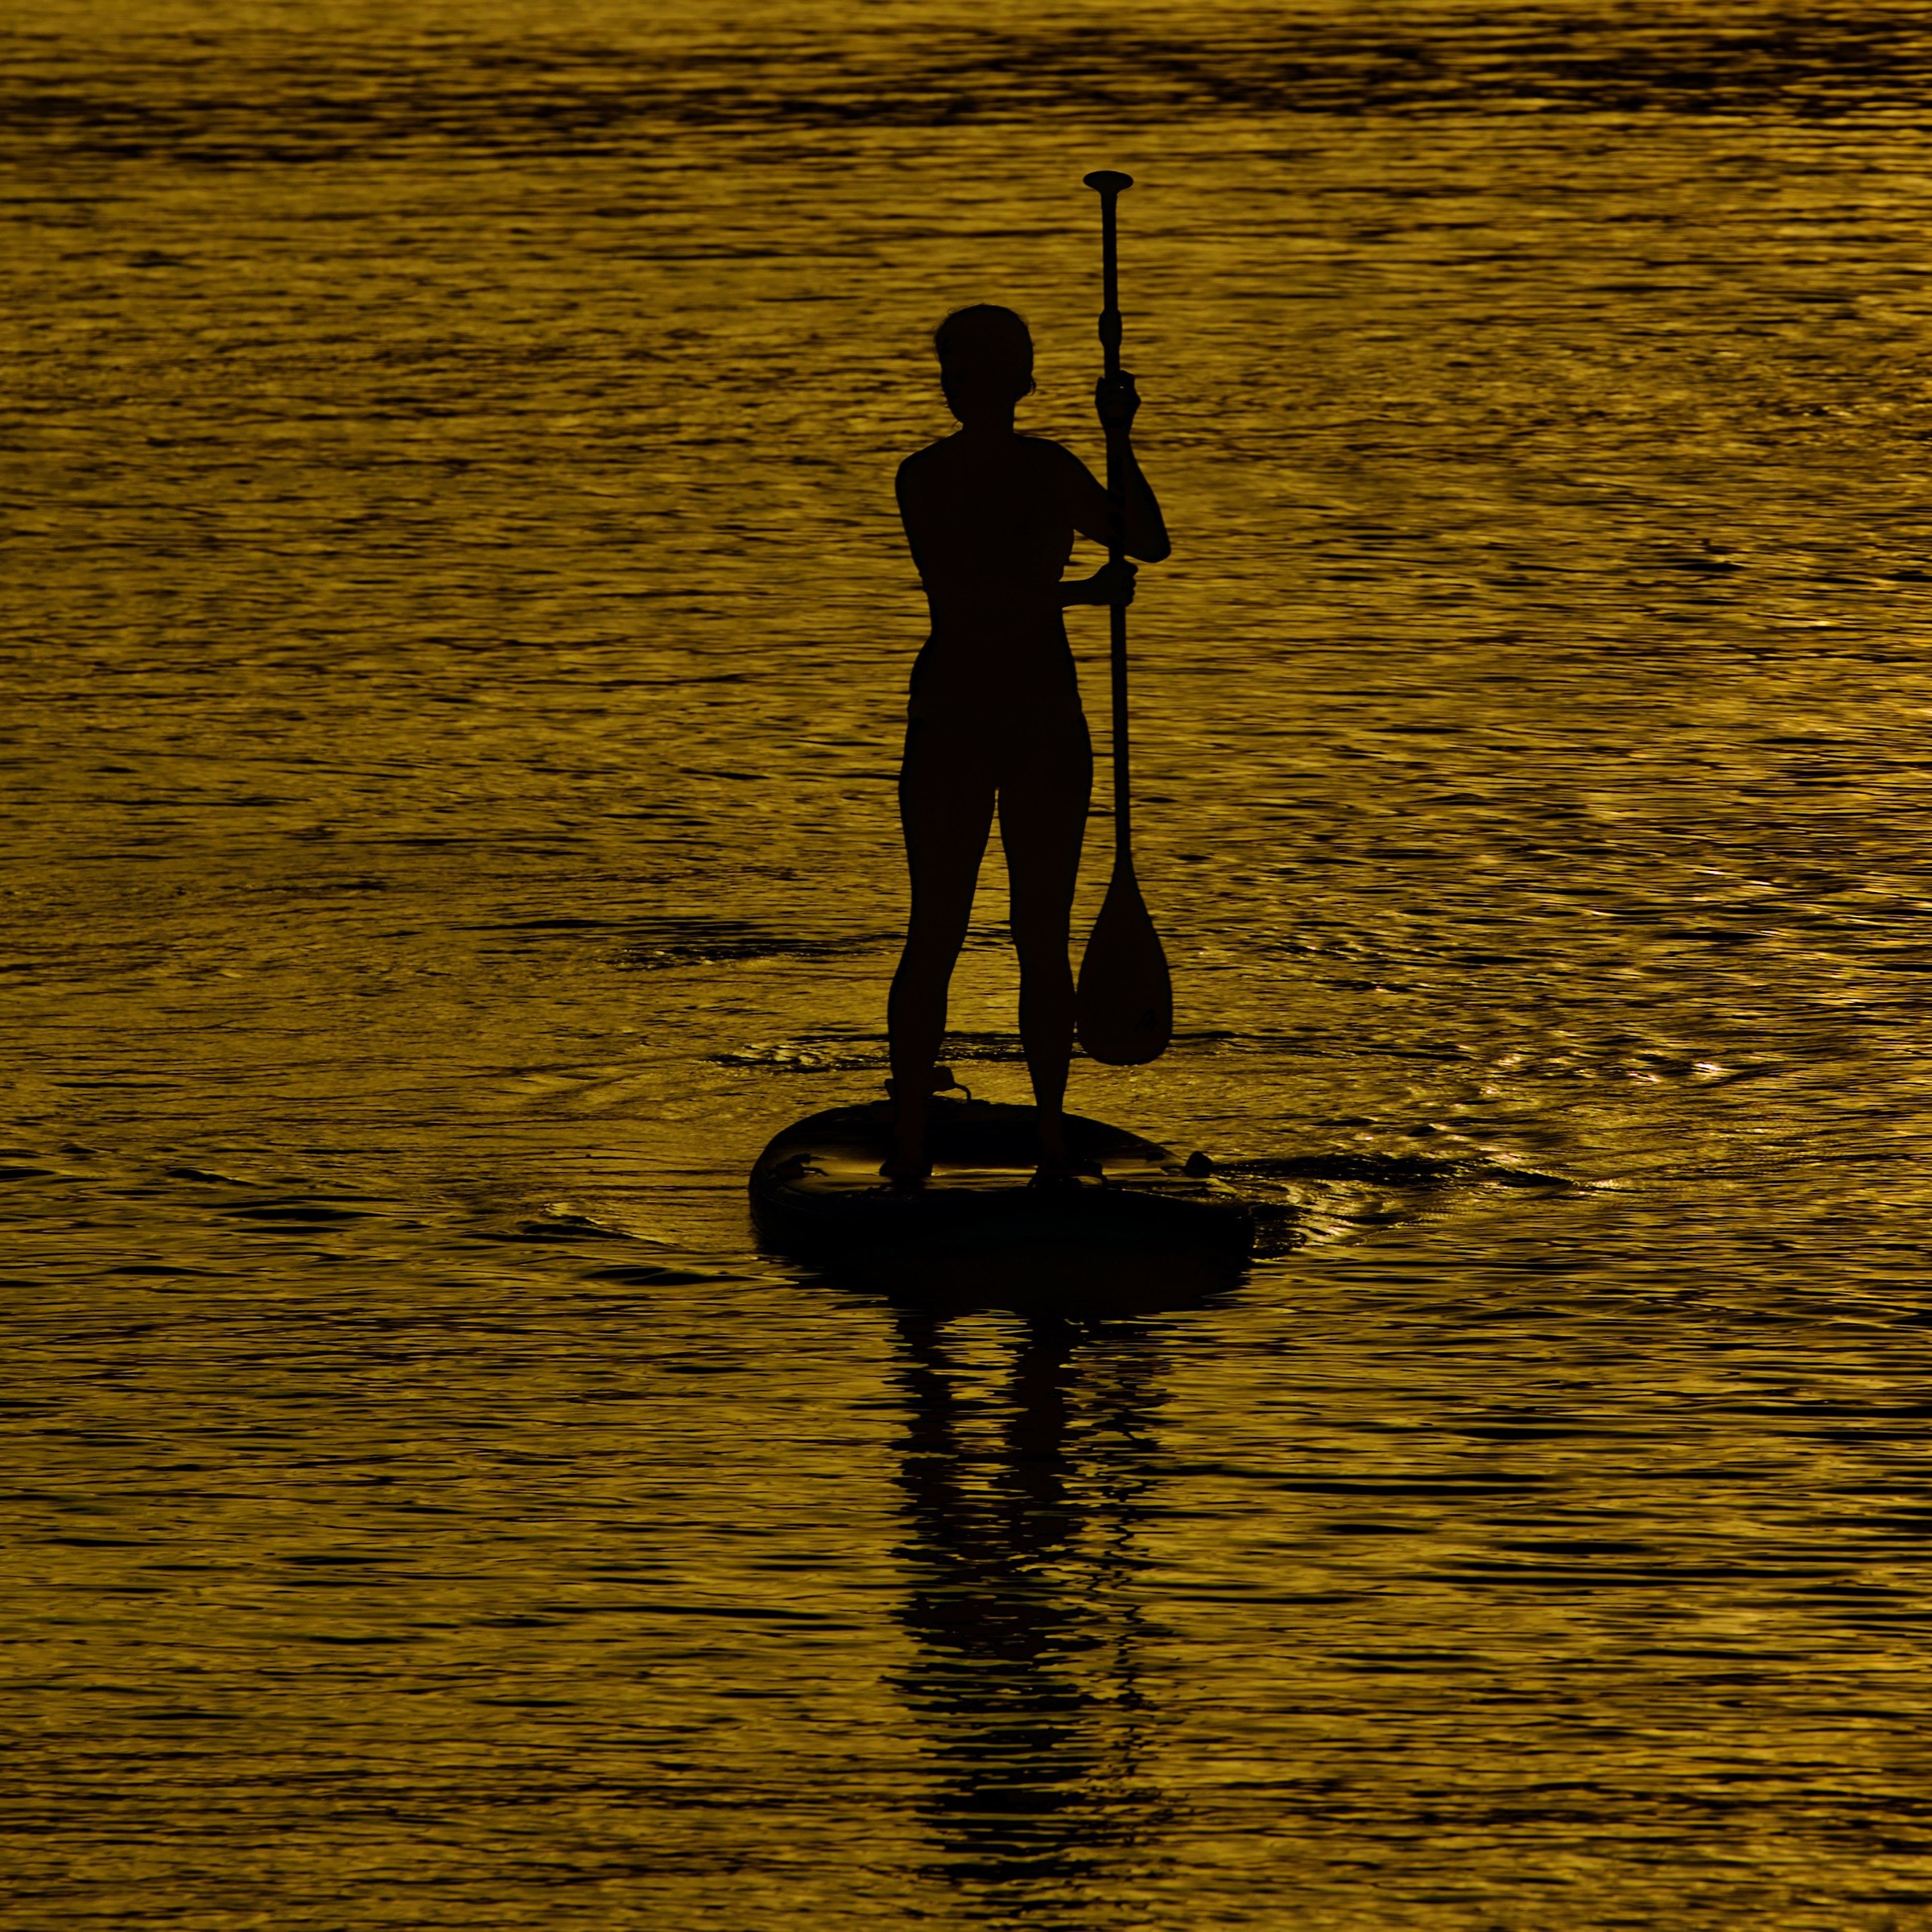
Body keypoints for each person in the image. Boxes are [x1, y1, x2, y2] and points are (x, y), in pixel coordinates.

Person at [886, 303, 1170, 1180]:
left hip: (1032, 723)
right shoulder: (925, 477)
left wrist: (1119, 435)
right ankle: (914, 1141)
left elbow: (1147, 541)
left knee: (1033, 936)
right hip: (967, 722)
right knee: (940, 930)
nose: (953, 383)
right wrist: (1079, 601)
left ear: (1001, 380)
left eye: (963, 368)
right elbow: (966, 593)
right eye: (951, 370)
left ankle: (1047, 1136)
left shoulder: (1042, 469)